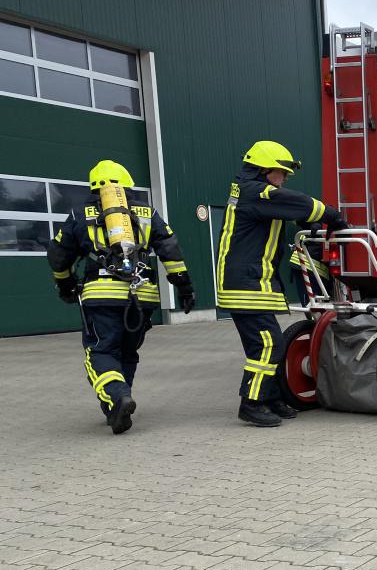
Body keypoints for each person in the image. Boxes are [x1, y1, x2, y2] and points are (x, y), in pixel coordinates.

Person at [47, 160, 195, 434]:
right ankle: (117, 403)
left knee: (101, 351)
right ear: (127, 185)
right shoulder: (147, 212)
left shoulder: (80, 214)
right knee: (127, 351)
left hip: (101, 297)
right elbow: (170, 250)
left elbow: (59, 255)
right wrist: (184, 287)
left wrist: (65, 285)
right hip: (141, 296)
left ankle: (116, 398)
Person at [217, 141, 347, 426]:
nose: (285, 179)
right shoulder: (257, 192)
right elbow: (296, 202)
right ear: (265, 171)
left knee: (270, 343)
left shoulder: (253, 195)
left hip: (248, 282)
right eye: (282, 173)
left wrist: (308, 224)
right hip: (245, 285)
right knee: (266, 347)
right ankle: (251, 403)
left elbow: (283, 213)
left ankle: (270, 397)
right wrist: (331, 216)